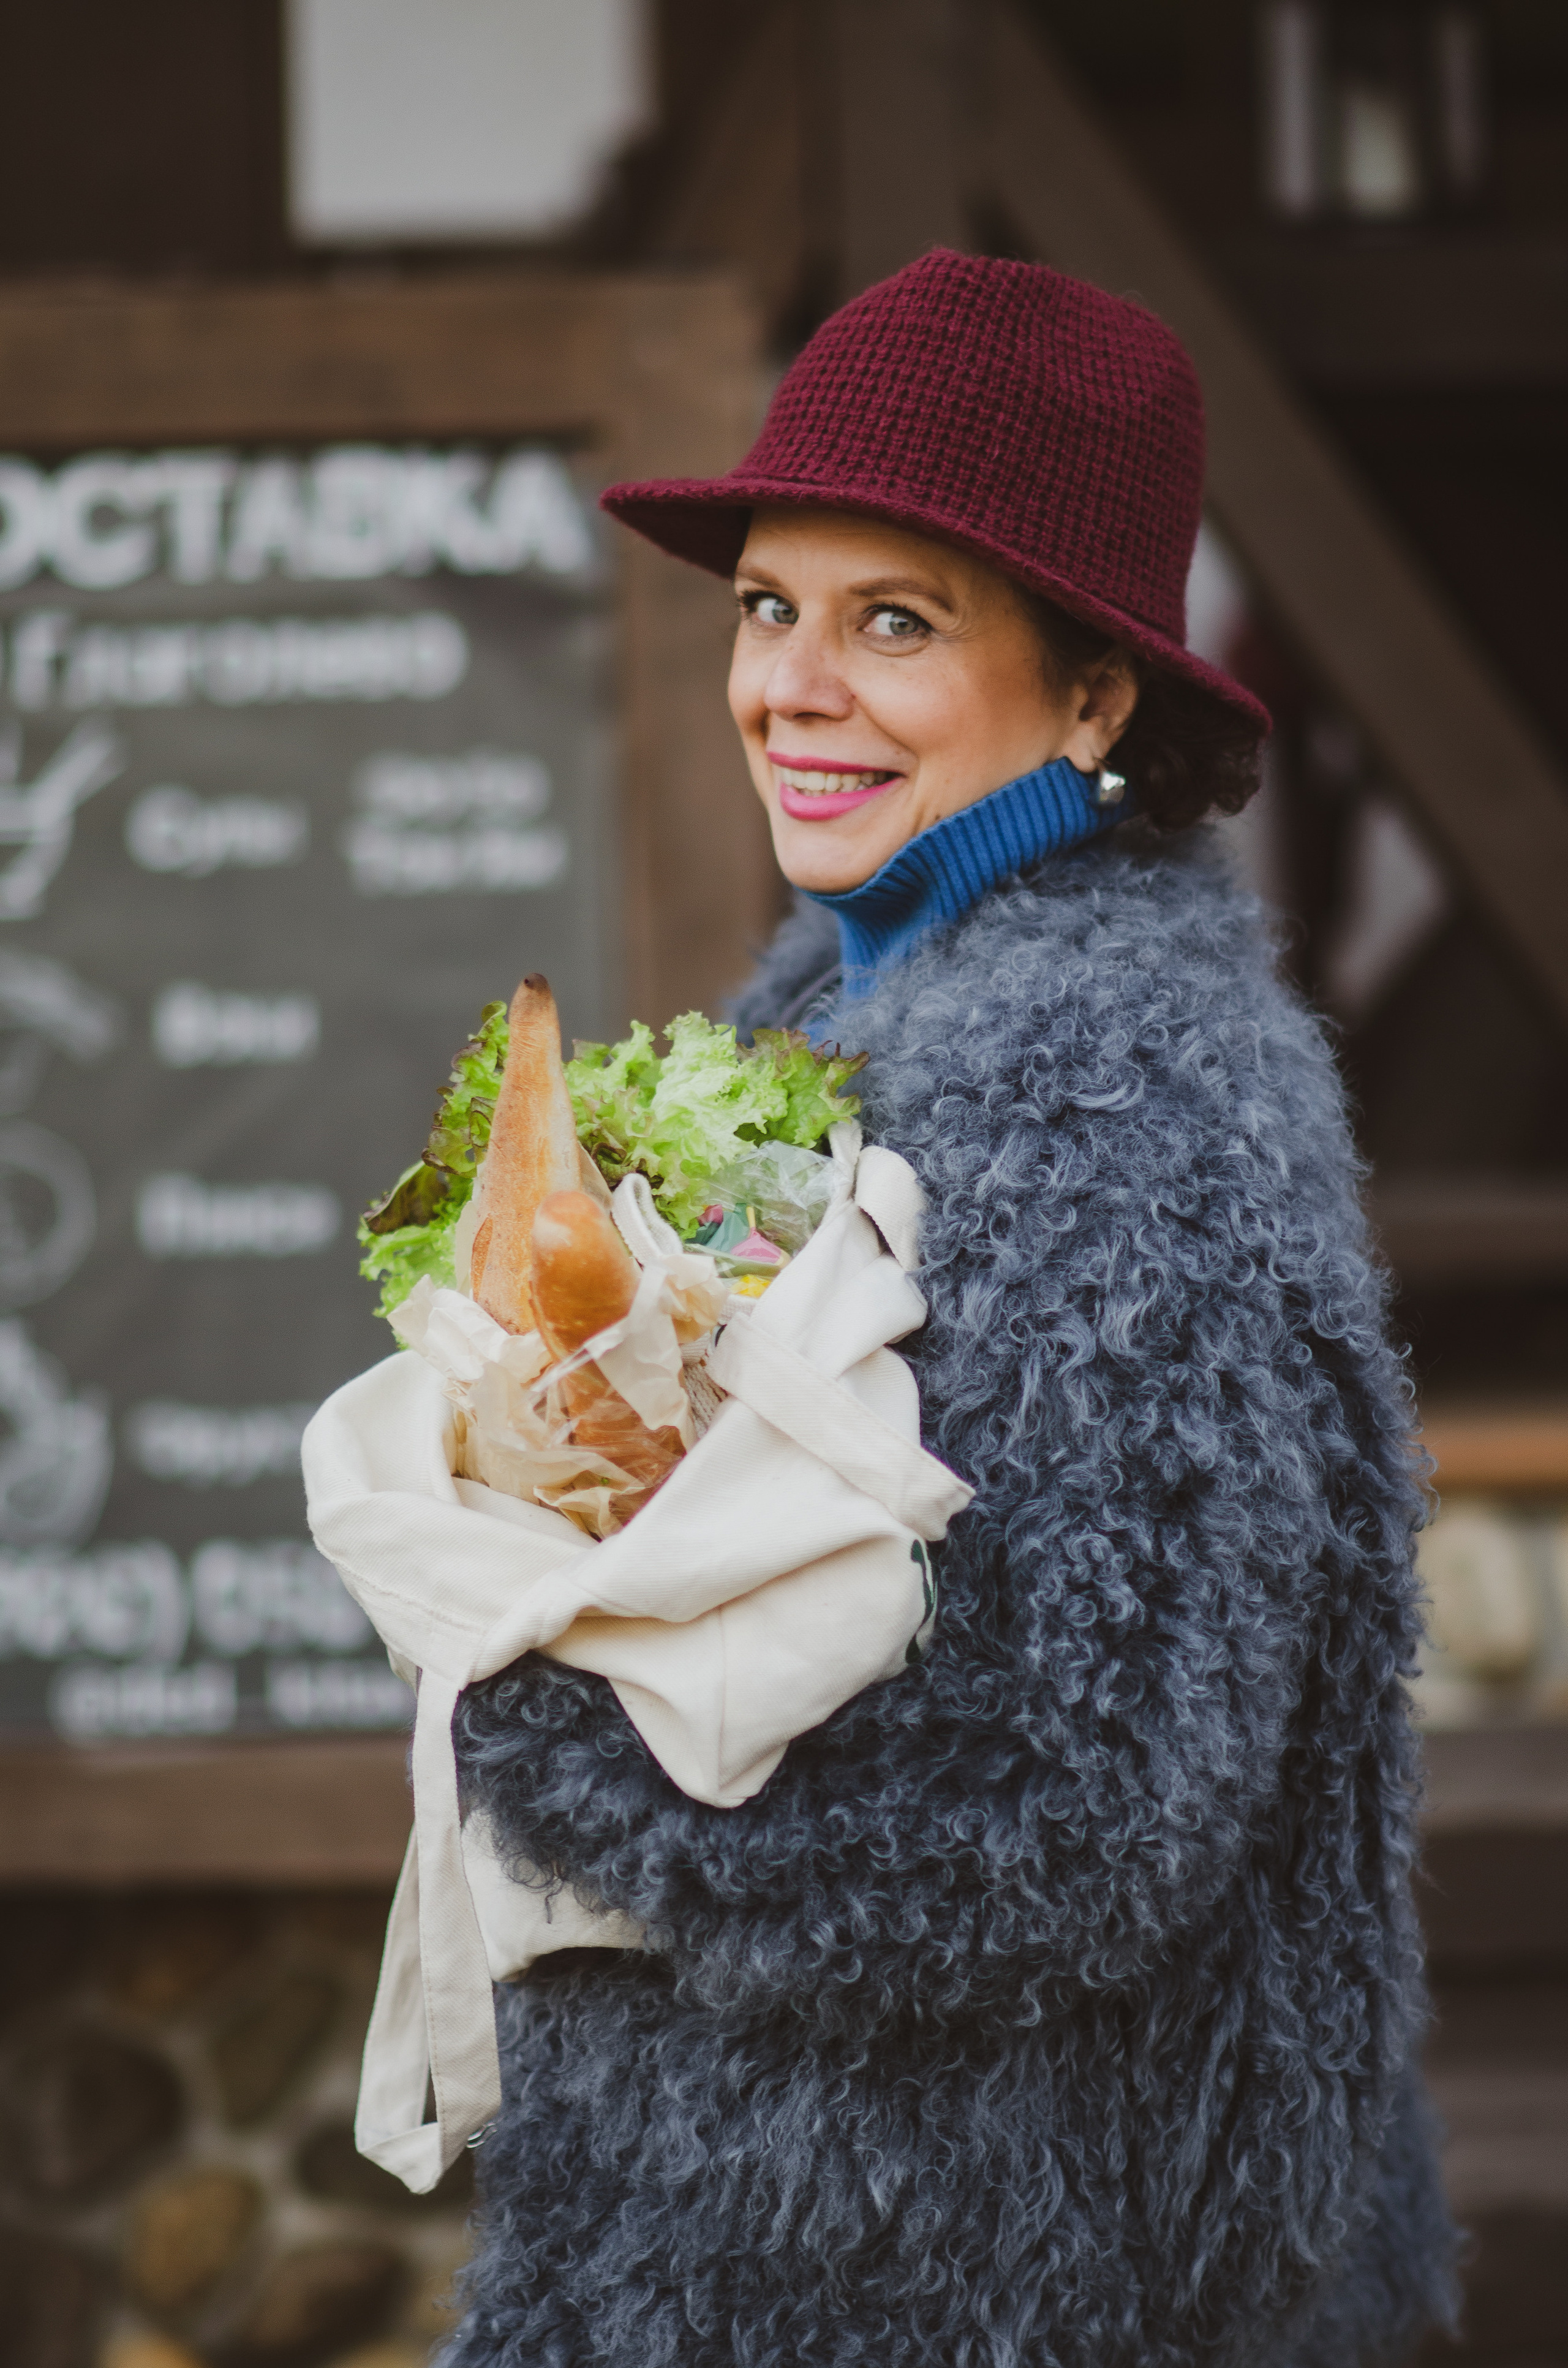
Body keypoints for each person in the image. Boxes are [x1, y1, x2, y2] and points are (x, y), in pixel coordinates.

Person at [446, 251, 1457, 2367]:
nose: (790, 686)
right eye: (767, 605)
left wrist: (541, 1720)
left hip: (970, 2270)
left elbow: (1078, 1807)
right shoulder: (851, 996)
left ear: (1095, 693)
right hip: (807, 2223)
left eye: (895, 622)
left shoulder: (1119, 1092)